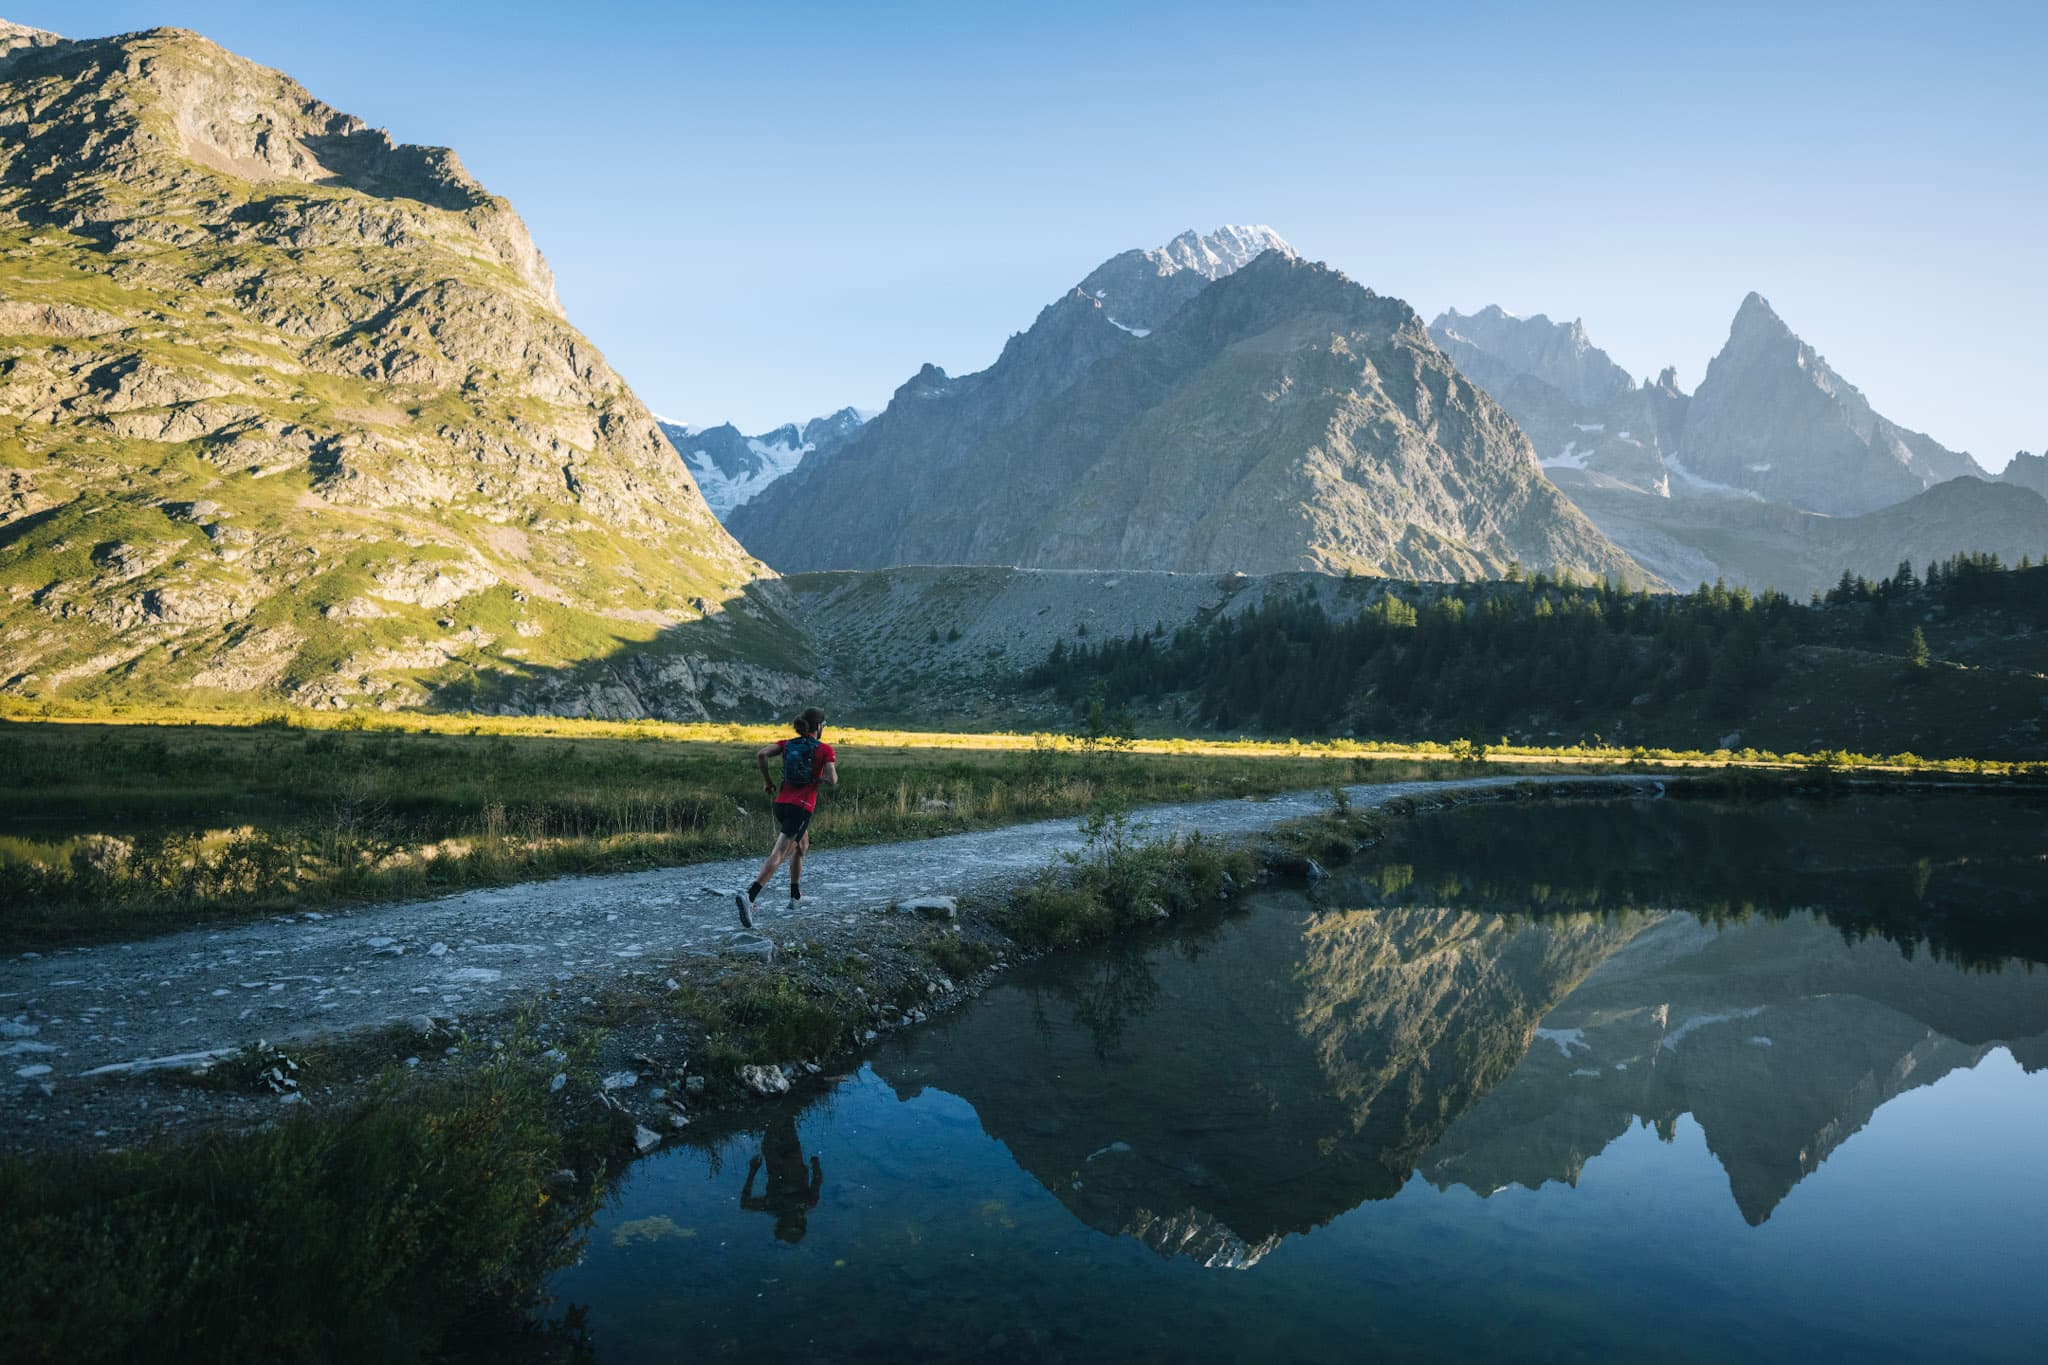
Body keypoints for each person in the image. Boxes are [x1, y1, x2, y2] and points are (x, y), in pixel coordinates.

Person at [736, 707, 837, 926]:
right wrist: (819, 779)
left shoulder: (787, 744)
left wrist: (768, 781)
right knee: (780, 853)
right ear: (819, 727)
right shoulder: (824, 749)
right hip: (801, 808)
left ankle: (795, 896)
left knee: (802, 845)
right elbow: (833, 779)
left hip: (781, 803)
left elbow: (761, 754)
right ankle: (749, 896)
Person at [740, 1114, 823, 1243]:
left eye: (793, 1223)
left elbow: (745, 1204)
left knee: (779, 1117)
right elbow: (817, 1180)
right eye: (798, 1223)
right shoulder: (805, 1202)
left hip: (778, 1153)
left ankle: (779, 1104)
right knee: (782, 1117)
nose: (796, 1220)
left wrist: (753, 1171)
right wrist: (816, 1166)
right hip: (786, 1153)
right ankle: (781, 1103)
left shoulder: (775, 1205)